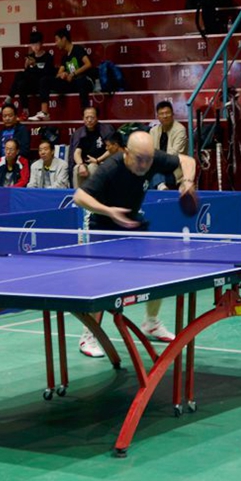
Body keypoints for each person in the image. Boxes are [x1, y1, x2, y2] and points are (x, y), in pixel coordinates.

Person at [73, 131, 198, 355]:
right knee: (102, 281)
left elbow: (187, 160)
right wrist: (109, 211)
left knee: (158, 269)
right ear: (127, 152)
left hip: (132, 222)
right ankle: (88, 336)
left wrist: (187, 182)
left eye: (149, 159)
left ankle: (151, 323)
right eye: (140, 159)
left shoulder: (150, 157)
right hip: (104, 225)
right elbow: (79, 197)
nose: (145, 164)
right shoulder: (110, 168)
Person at [32, 28, 94, 120]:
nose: (55, 43)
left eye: (57, 40)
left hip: (84, 80)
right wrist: (63, 75)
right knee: (45, 80)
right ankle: (44, 112)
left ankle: (85, 113)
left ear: (64, 39)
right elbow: (58, 74)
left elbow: (88, 64)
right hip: (71, 83)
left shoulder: (77, 49)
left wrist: (73, 74)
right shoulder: (64, 57)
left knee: (82, 82)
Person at [0, 31, 56, 118]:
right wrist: (26, 66)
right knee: (21, 82)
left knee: (20, 75)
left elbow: (47, 74)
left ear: (41, 43)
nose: (35, 47)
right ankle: (25, 111)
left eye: (37, 44)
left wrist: (35, 65)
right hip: (31, 84)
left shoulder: (48, 57)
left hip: (42, 85)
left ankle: (7, 100)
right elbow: (28, 75)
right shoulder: (30, 56)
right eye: (33, 44)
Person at [70, 107, 115, 188]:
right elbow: (77, 152)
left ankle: (93, 194)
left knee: (92, 167)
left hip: (102, 162)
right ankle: (77, 194)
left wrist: (97, 160)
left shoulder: (106, 130)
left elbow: (112, 149)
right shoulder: (80, 133)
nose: (89, 120)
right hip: (85, 163)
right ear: (83, 119)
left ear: (97, 118)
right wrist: (80, 165)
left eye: (92, 117)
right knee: (77, 168)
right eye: (86, 117)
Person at [149, 101, 189, 190]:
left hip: (174, 171)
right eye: (161, 114)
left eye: (167, 113)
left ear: (172, 114)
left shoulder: (180, 130)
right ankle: (160, 186)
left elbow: (174, 155)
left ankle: (160, 187)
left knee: (153, 174)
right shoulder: (153, 131)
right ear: (157, 116)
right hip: (158, 168)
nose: (165, 116)